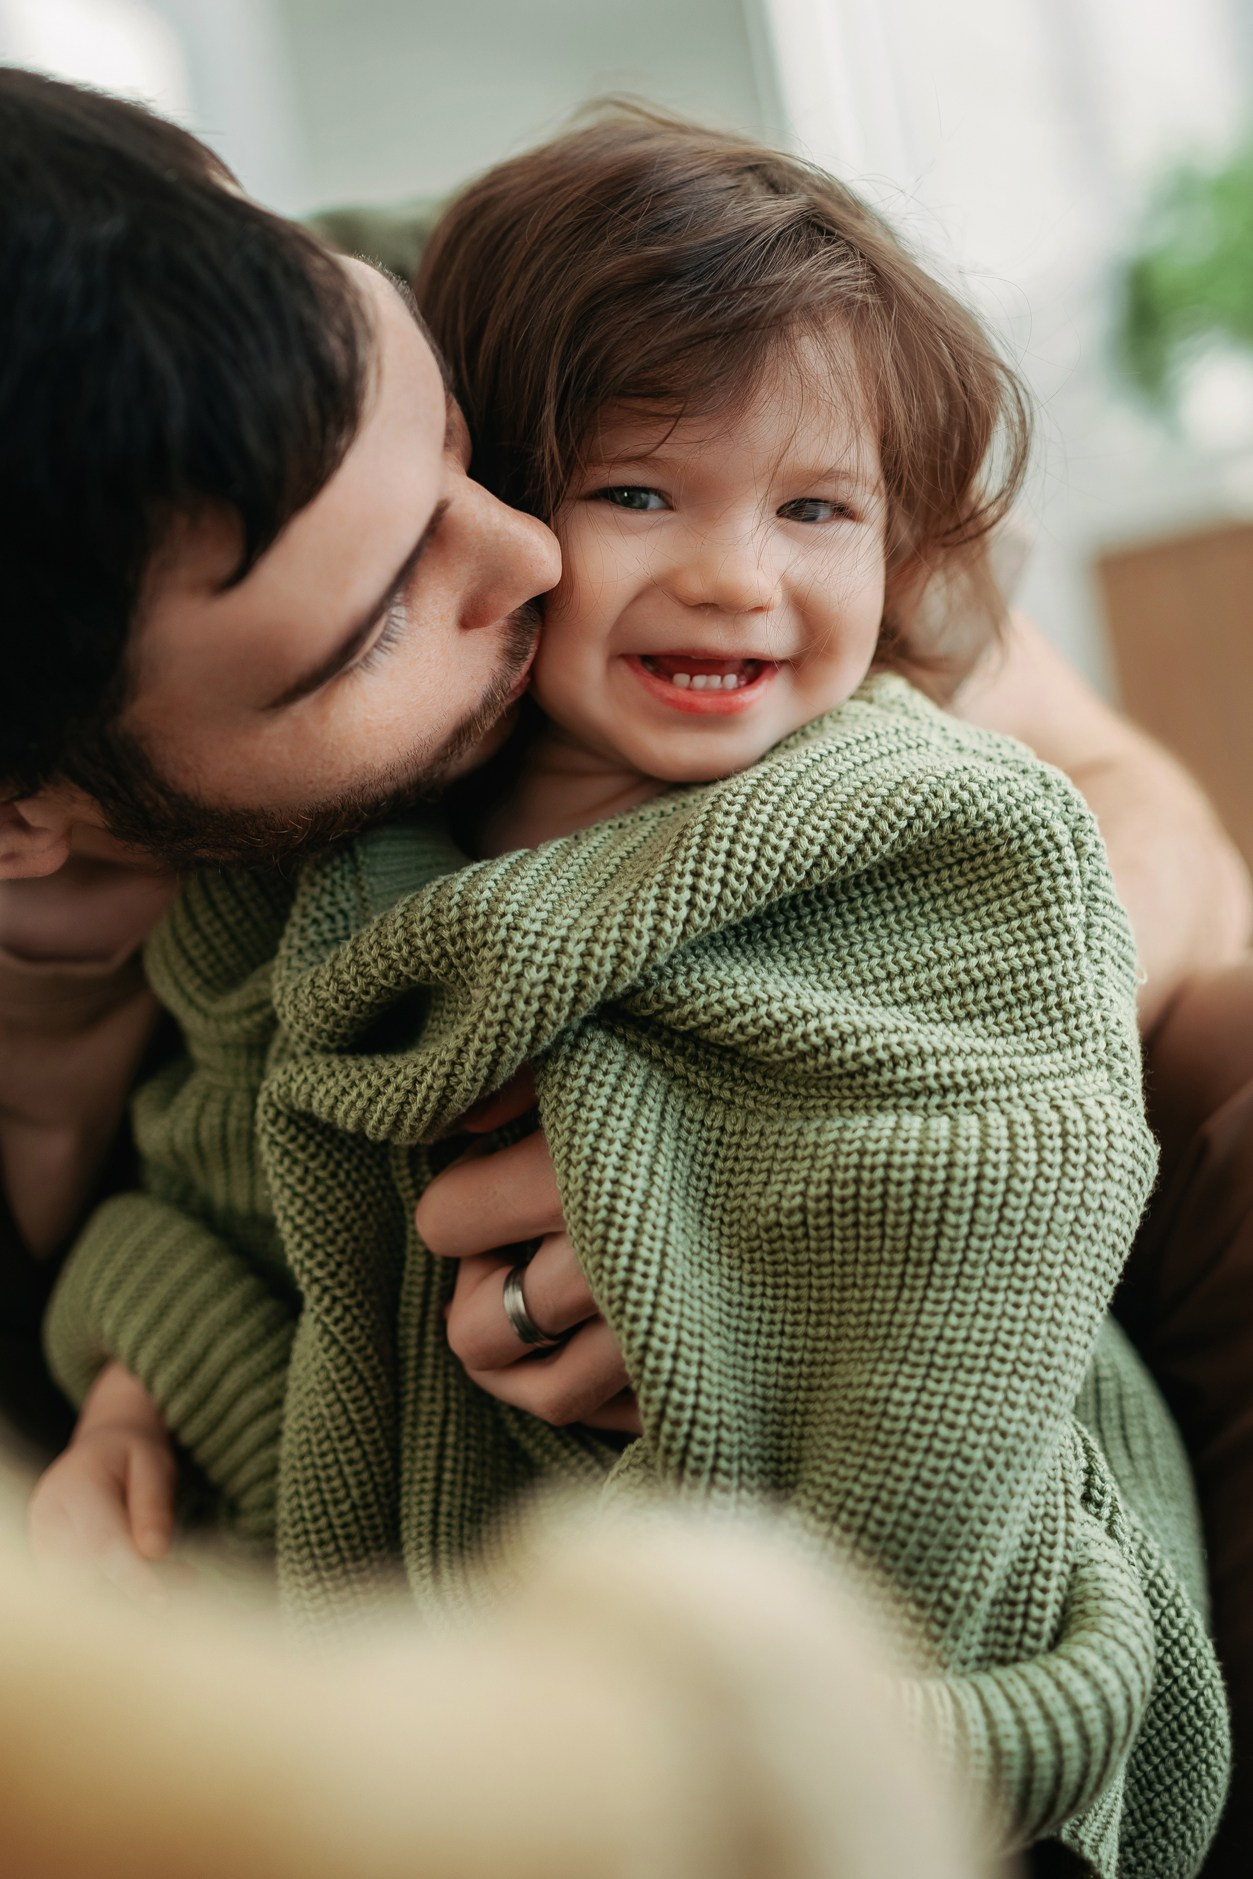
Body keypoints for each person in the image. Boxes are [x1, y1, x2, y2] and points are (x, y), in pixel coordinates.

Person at [0, 67, 1248, 1869]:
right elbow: (214, 1162)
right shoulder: (284, 902)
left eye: (462, 449)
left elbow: (1095, 856)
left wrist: (713, 1201)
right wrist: (140, 1383)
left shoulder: (575, 309)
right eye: (371, 620)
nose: (526, 546)